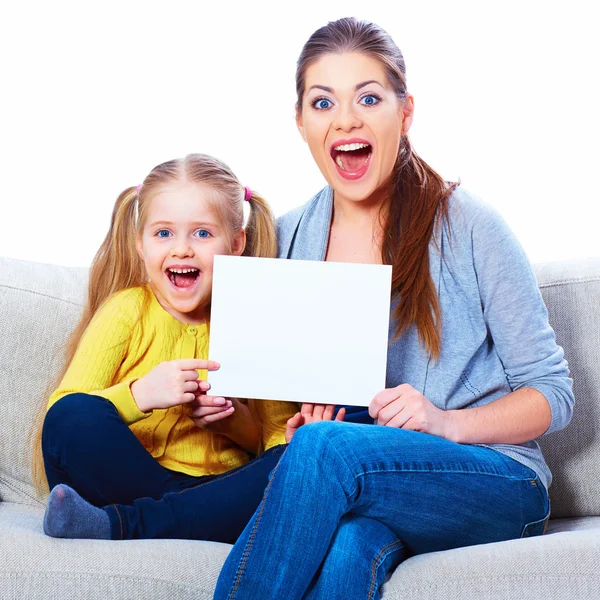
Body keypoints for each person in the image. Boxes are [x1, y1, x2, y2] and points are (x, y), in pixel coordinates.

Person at [212, 17, 574, 600]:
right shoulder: (288, 237)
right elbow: (307, 412)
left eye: (369, 98)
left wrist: (447, 422)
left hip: (496, 480)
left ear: (405, 113)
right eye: (323, 101)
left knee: (323, 452)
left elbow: (553, 394)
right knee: (345, 548)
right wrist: (305, 424)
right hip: (377, 485)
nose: (346, 119)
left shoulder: (470, 225)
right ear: (301, 122)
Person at [38, 153, 303, 542]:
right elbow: (64, 414)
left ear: (237, 243)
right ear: (141, 245)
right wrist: (141, 394)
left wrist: (234, 422)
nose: (182, 249)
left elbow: (277, 436)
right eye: (163, 233)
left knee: (300, 460)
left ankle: (124, 523)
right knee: (68, 416)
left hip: (222, 487)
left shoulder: (255, 320)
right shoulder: (127, 310)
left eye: (201, 233)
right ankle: (182, 516)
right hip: (134, 479)